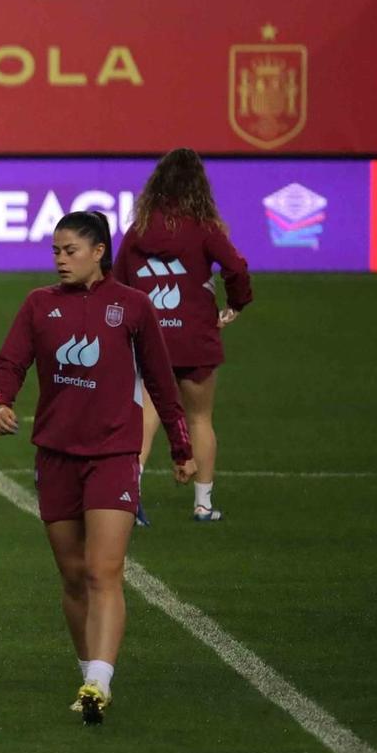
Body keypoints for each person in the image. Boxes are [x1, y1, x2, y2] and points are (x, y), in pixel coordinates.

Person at [0, 210, 195, 725]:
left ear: (99, 251)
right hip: (55, 455)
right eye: (55, 251)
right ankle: (87, 673)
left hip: (113, 454)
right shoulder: (39, 305)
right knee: (74, 574)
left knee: (104, 571)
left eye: (70, 250)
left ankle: (100, 681)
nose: (60, 259)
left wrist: (180, 444)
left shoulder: (132, 307)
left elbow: (162, 382)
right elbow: (11, 361)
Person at [116, 149, 253, 524]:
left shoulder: (138, 231)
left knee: (145, 416)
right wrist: (236, 304)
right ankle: (203, 505)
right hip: (195, 335)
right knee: (201, 418)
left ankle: (131, 499)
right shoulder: (204, 228)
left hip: (150, 337)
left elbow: (118, 283)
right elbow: (236, 267)